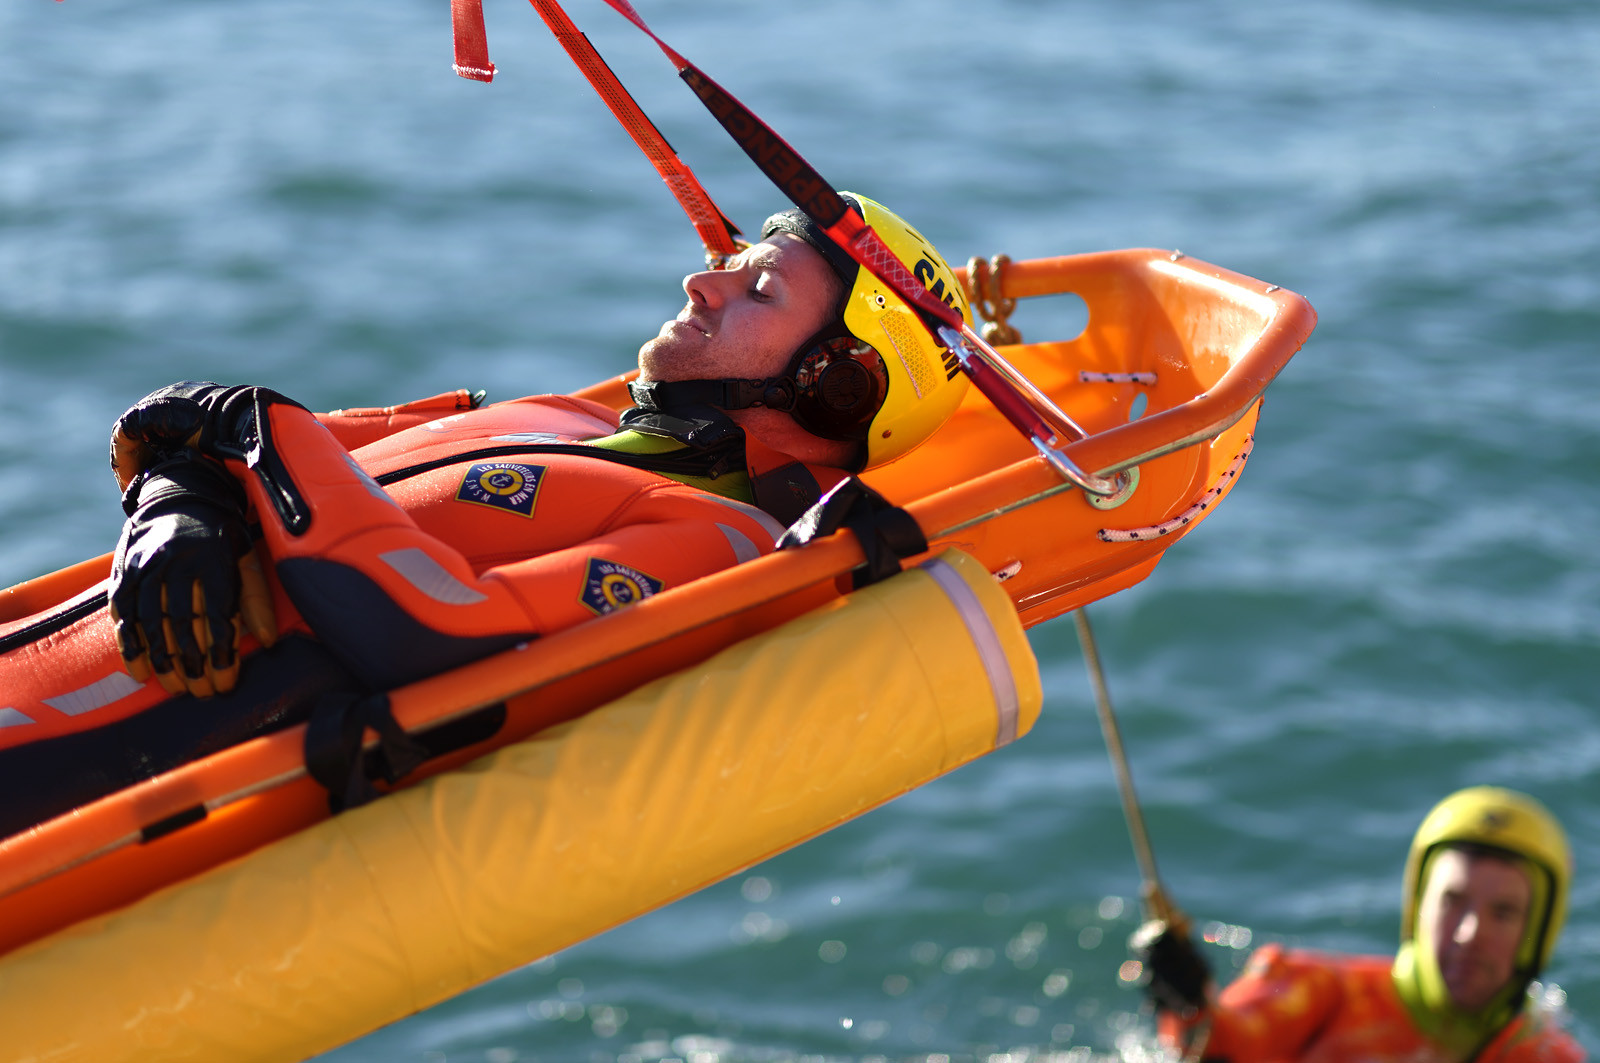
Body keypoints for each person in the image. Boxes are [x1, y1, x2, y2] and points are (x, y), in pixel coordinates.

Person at [0, 191, 972, 834]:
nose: (701, 280)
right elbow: (188, 439)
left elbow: (437, 635)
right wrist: (185, 499)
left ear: (832, 386)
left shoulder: (716, 540)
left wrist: (241, 430)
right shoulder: (553, 414)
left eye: (756, 287)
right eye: (732, 258)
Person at [1131, 786, 1583, 1063]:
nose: (1468, 933)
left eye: (1502, 913)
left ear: (1537, 933)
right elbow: (1220, 1045)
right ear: (1417, 906)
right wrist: (1188, 999)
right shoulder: (1324, 994)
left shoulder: (1547, 1057)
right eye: (1451, 900)